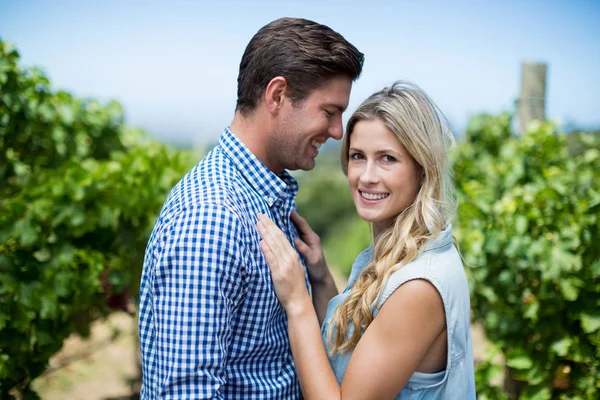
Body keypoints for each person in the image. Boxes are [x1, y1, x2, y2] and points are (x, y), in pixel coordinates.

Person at [137, 17, 363, 399]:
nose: (338, 131)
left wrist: (320, 279)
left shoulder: (261, 200)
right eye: (329, 111)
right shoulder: (210, 219)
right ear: (276, 95)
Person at [257, 81, 476, 399]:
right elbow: (349, 352)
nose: (367, 175)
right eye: (359, 156)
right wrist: (319, 278)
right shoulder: (400, 252)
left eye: (387, 158)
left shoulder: (417, 287)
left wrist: (297, 303)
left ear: (421, 167)